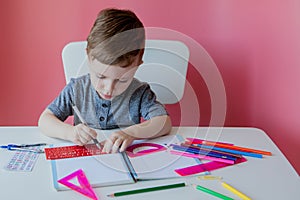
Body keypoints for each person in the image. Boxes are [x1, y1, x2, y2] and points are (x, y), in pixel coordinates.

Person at [38, 8, 171, 153]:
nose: (109, 88)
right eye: (101, 76)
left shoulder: (139, 93)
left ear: (137, 66)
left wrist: (132, 133)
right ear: (88, 58)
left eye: (122, 80)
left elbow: (164, 122)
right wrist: (70, 132)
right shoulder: (76, 89)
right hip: (85, 163)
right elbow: (45, 120)